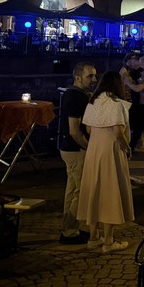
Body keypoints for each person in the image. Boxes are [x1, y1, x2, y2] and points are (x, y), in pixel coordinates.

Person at [77, 71, 134, 253]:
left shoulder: (93, 102)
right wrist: (127, 147)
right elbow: (118, 132)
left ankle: (93, 237)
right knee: (110, 192)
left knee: (94, 191)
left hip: (94, 150)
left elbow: (88, 128)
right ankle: (108, 240)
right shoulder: (116, 104)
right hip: (110, 150)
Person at [58, 62, 97, 244]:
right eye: (90, 76)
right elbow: (74, 130)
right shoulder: (76, 97)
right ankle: (70, 231)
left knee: (72, 189)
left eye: (95, 75)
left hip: (68, 148)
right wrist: (88, 147)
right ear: (78, 77)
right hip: (76, 149)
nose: (94, 79)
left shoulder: (71, 94)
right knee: (80, 192)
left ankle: (68, 228)